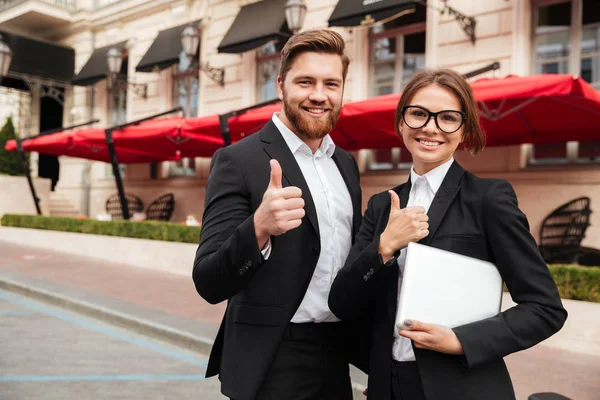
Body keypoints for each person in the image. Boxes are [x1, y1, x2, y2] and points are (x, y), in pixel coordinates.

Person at [328, 68, 567, 400]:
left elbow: (545, 309)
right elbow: (342, 301)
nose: (431, 127)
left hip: (462, 386)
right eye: (419, 114)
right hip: (388, 387)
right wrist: (385, 246)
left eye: (448, 118)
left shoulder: (488, 199)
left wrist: (462, 341)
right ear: (401, 122)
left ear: (464, 129)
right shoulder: (382, 206)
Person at [193, 29, 367, 400]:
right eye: (305, 81)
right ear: (281, 85)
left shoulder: (346, 165)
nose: (319, 95)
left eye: (331, 84)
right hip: (272, 357)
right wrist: (257, 228)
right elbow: (208, 281)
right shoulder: (237, 160)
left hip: (337, 354)